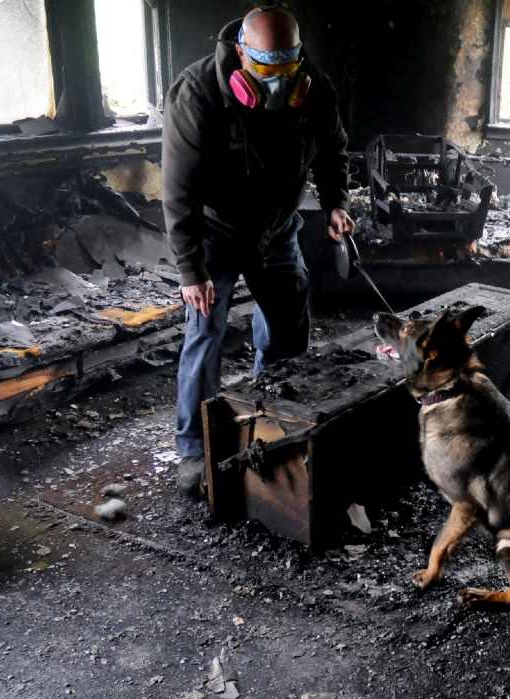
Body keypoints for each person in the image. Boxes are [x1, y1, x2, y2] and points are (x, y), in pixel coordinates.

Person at [161, 5, 353, 496]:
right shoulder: (197, 92)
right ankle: (193, 449)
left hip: (277, 229)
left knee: (288, 329)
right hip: (215, 234)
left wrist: (335, 203)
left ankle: (267, 421)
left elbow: (333, 153)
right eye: (265, 72)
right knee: (205, 334)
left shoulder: (315, 91)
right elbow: (178, 191)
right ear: (242, 53)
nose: (277, 84)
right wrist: (190, 270)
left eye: (286, 71)